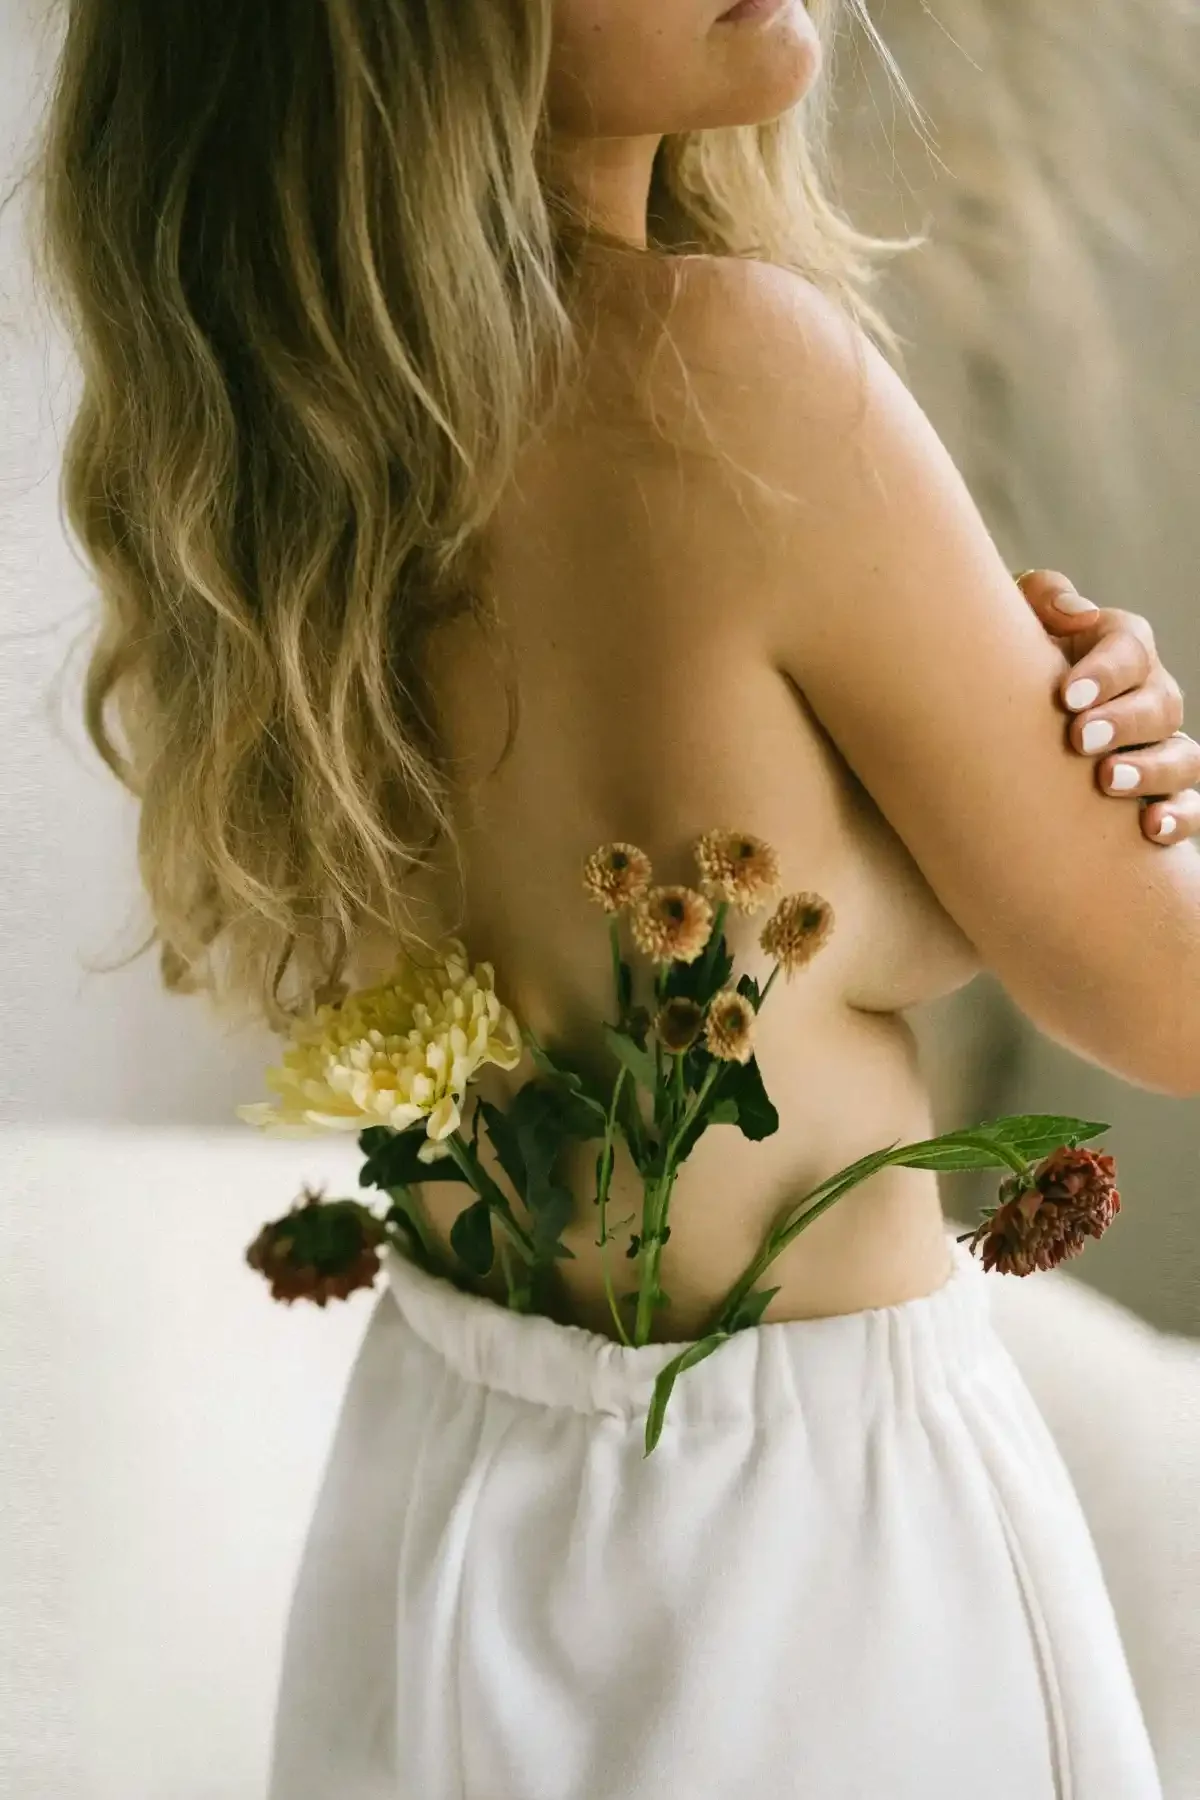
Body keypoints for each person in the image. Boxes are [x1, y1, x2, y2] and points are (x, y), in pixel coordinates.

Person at [13, 0, 1200, 1795]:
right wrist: (1130, 795)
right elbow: (1164, 995)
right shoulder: (728, 377)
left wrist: (966, 832)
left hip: (451, 1503)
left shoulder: (310, 497)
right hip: (807, 1553)